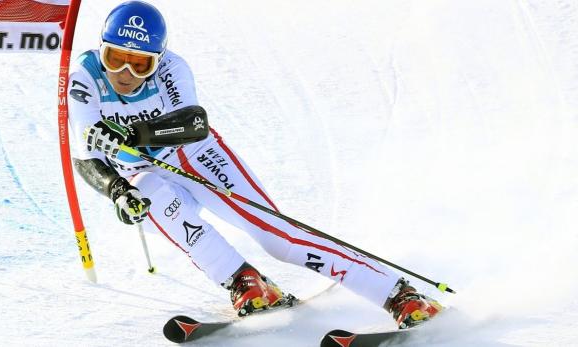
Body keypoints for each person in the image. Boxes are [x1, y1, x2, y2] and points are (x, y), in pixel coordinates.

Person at [68, 0, 442, 328]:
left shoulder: (172, 68)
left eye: (140, 64)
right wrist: (117, 192)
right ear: (101, 50)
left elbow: (194, 123)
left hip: (193, 156)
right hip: (144, 171)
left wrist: (135, 136)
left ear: (158, 60)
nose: (126, 75)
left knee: (280, 240)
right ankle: (244, 282)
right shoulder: (83, 79)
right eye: (116, 59)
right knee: (145, 194)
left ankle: (398, 293)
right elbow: (85, 157)